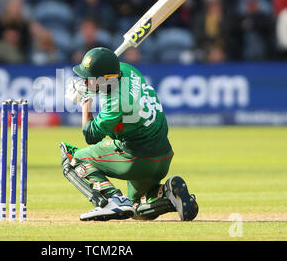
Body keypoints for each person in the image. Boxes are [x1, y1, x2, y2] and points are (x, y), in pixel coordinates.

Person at [61, 47, 199, 221]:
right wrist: (94, 85)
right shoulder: (127, 70)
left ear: (106, 79)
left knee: (73, 159)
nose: (85, 82)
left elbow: (90, 135)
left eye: (89, 79)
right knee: (136, 210)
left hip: (136, 158)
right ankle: (168, 194)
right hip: (162, 156)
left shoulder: (117, 102)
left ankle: (112, 201)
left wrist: (84, 101)